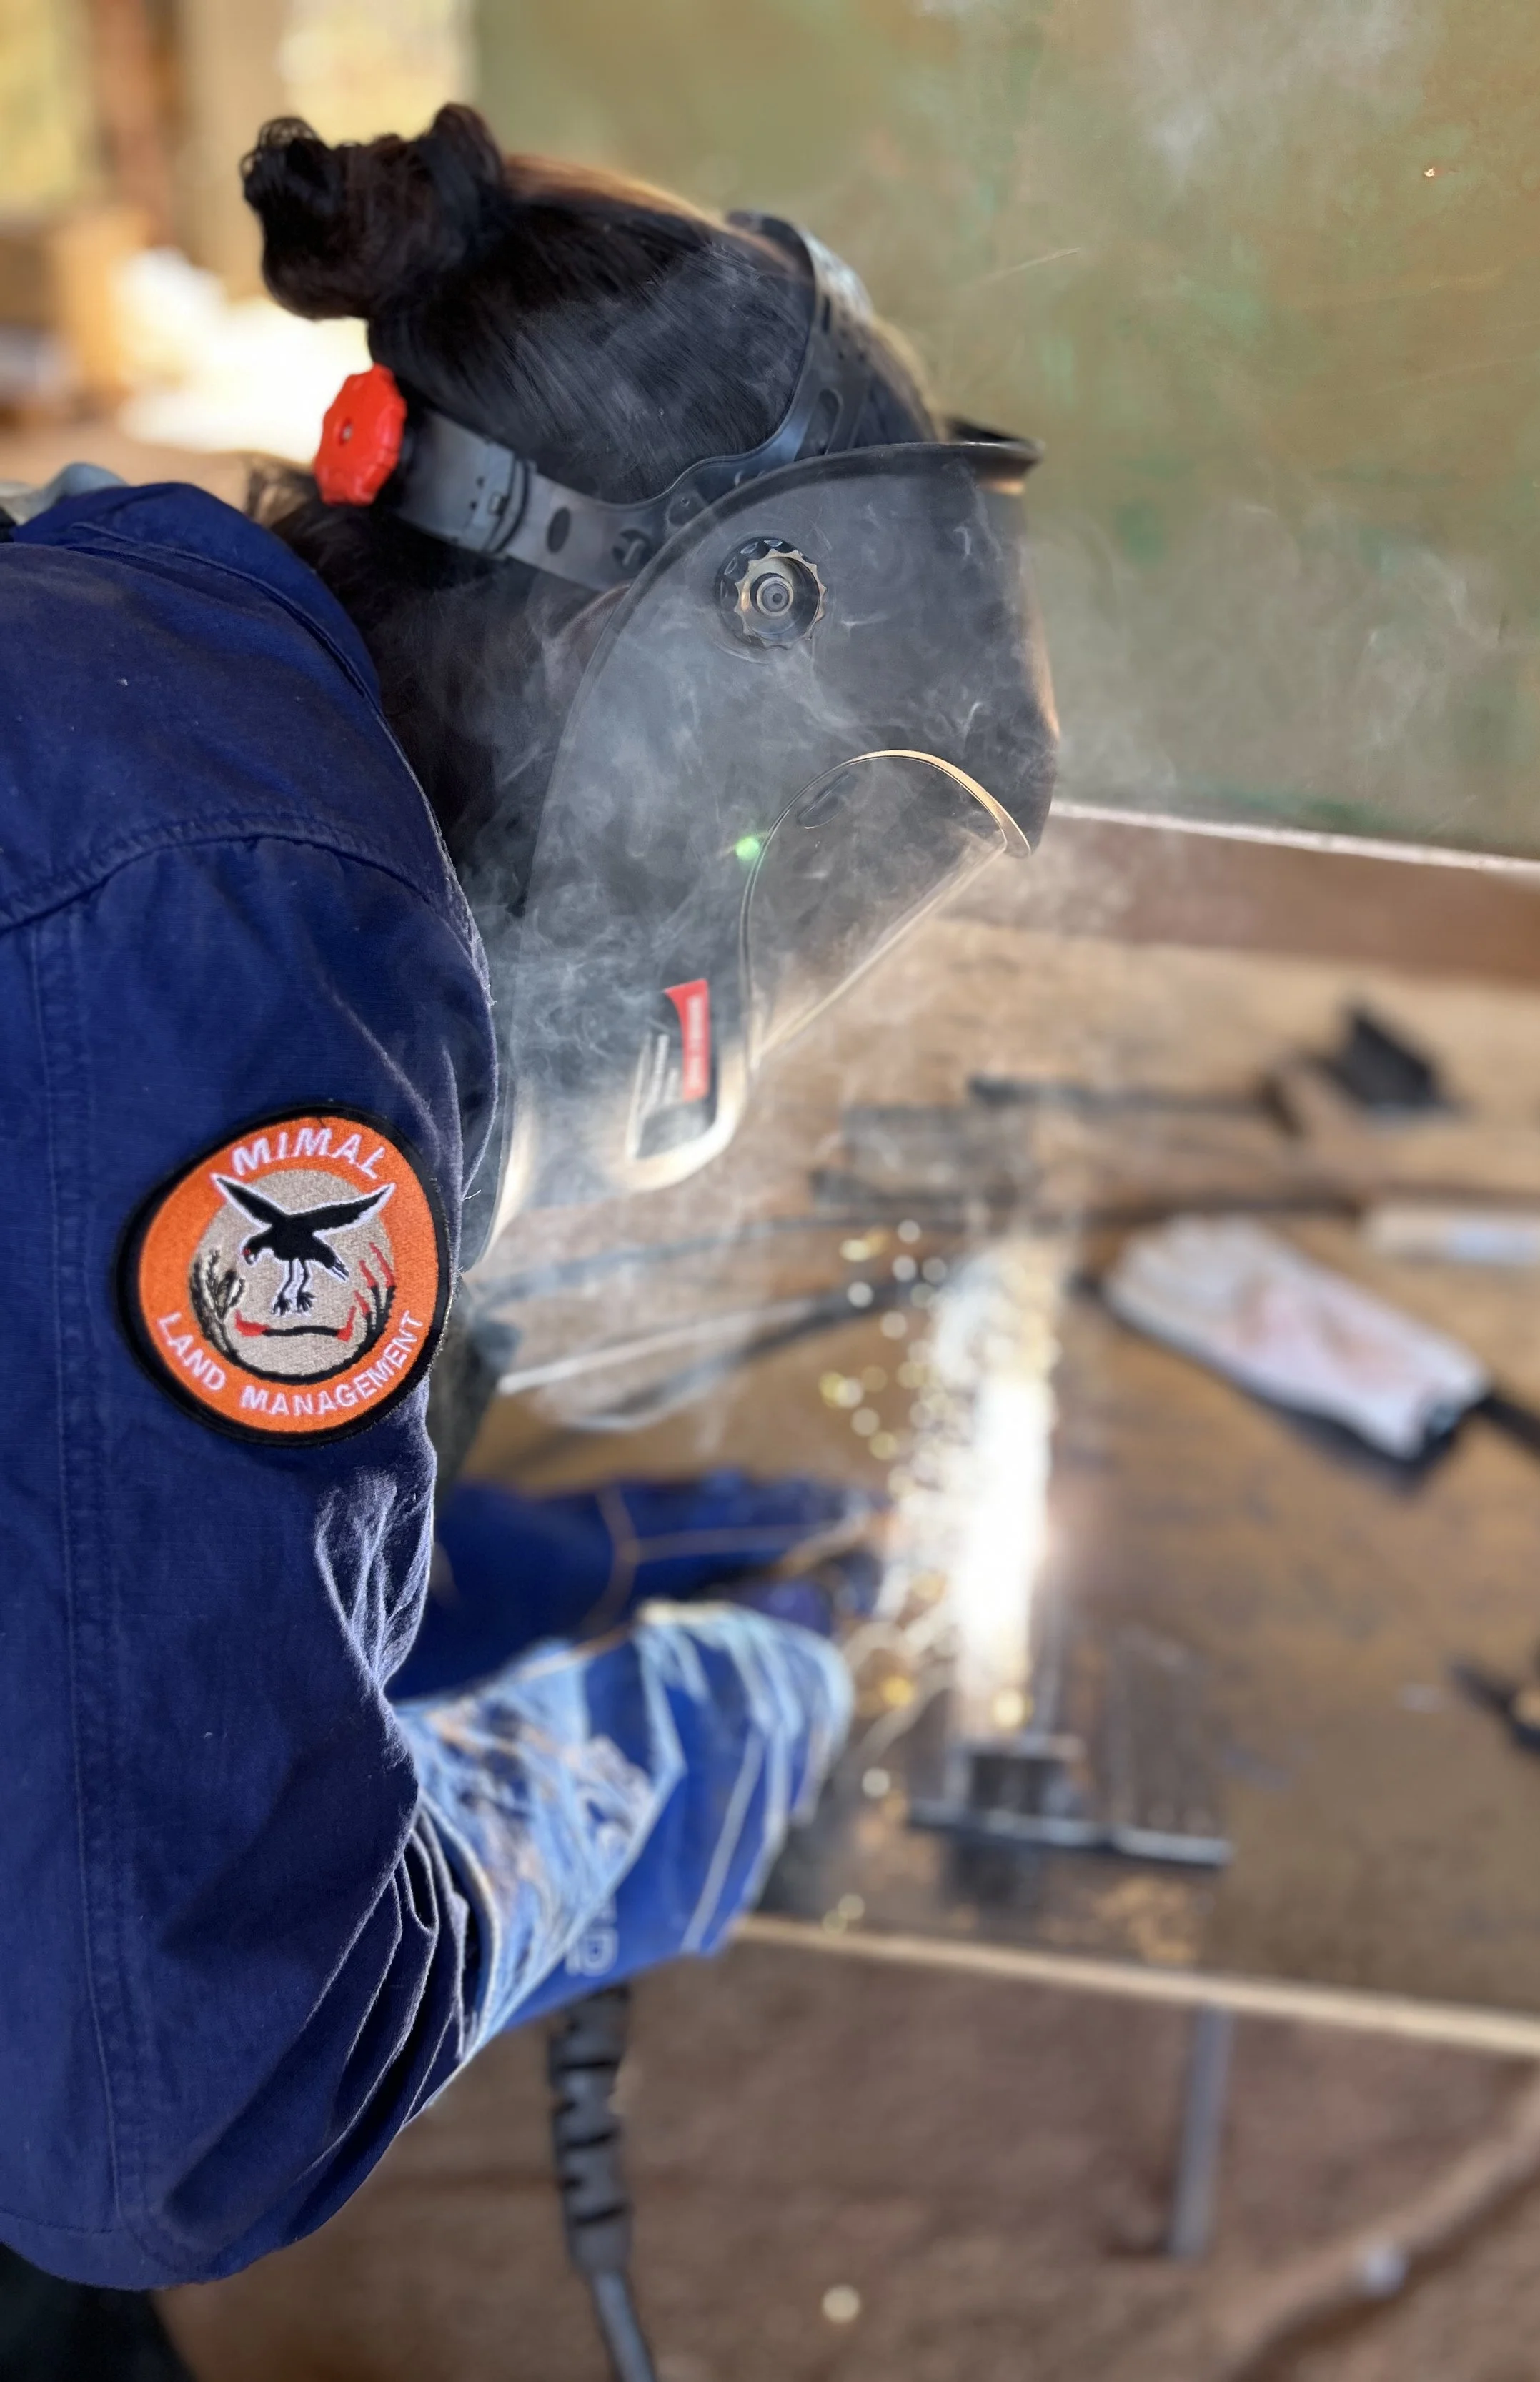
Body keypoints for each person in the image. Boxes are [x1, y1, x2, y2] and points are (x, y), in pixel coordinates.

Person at [0, 104, 1052, 2292]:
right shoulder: (269, 934)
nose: (733, 952)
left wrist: (439, 1570)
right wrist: (652, 1763)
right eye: (771, 869)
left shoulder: (115, 639)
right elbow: (169, 2105)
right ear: (667, 672)